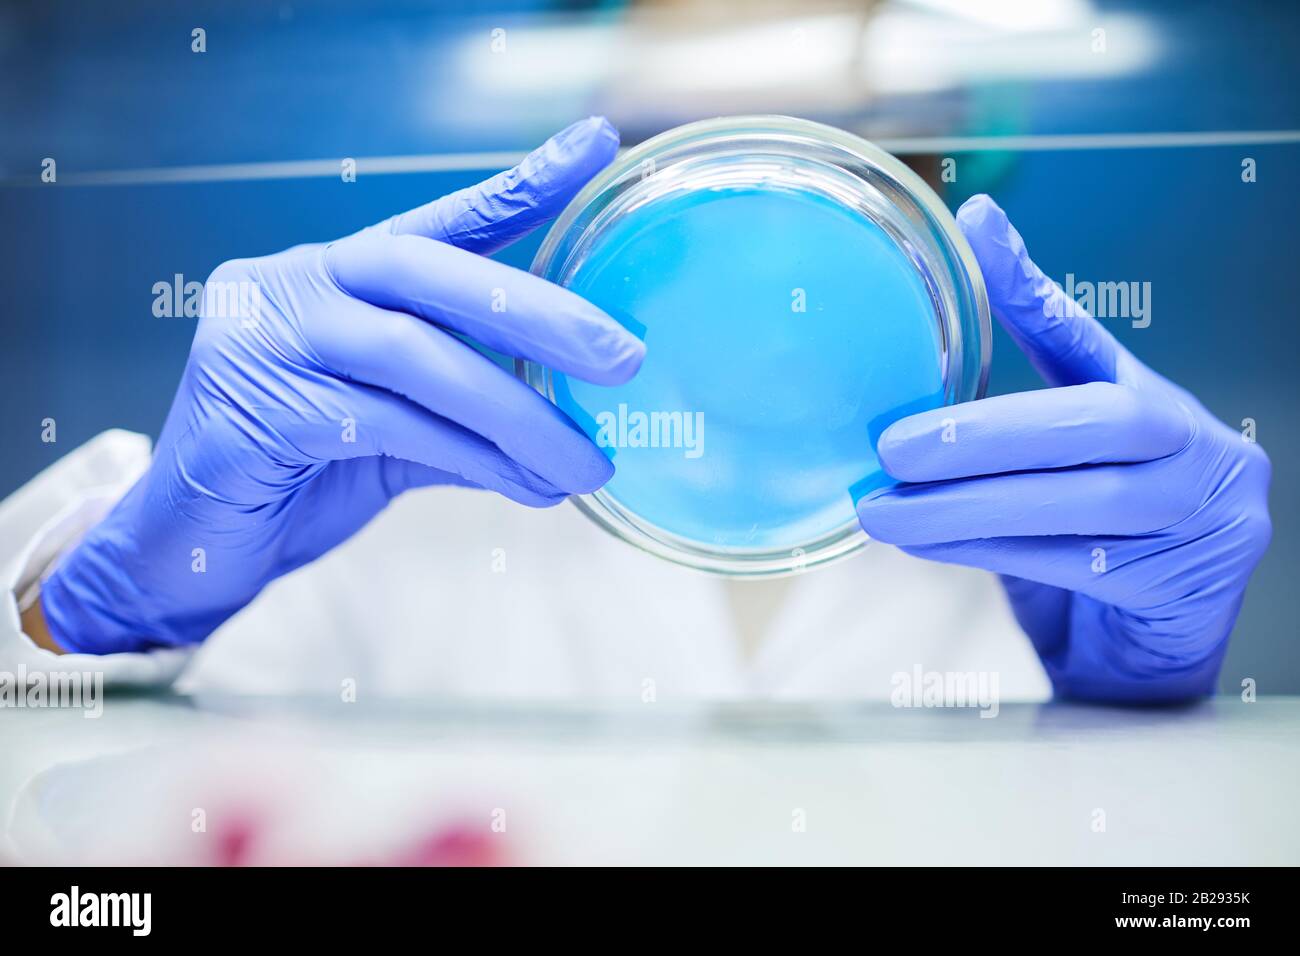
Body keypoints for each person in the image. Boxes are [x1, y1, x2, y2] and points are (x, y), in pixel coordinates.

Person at [2, 118, 1271, 703]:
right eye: (699, 123)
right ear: (611, 173)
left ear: (935, 180)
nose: (769, 222)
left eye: (854, 137)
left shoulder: (1045, 547)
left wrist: (1147, 710)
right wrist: (99, 607)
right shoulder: (375, 485)